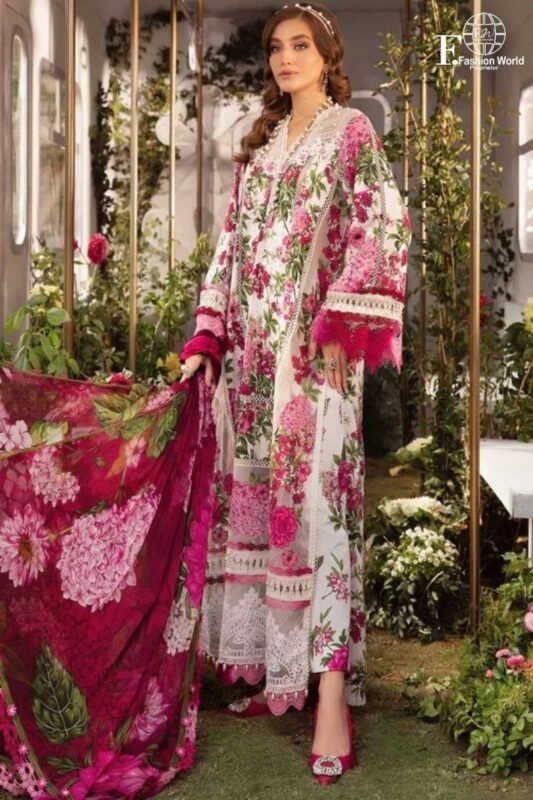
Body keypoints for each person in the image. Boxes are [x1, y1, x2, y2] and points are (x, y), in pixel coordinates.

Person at [181, 1, 411, 784]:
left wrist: (343, 323)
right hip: (253, 366)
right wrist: (209, 337)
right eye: (277, 47)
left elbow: (380, 225)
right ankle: (280, 676)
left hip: (315, 361)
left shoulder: (351, 133)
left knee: (320, 511)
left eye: (300, 45)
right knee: (260, 509)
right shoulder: (260, 145)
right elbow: (230, 247)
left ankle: (331, 696)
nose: (285, 58)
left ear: (326, 55)